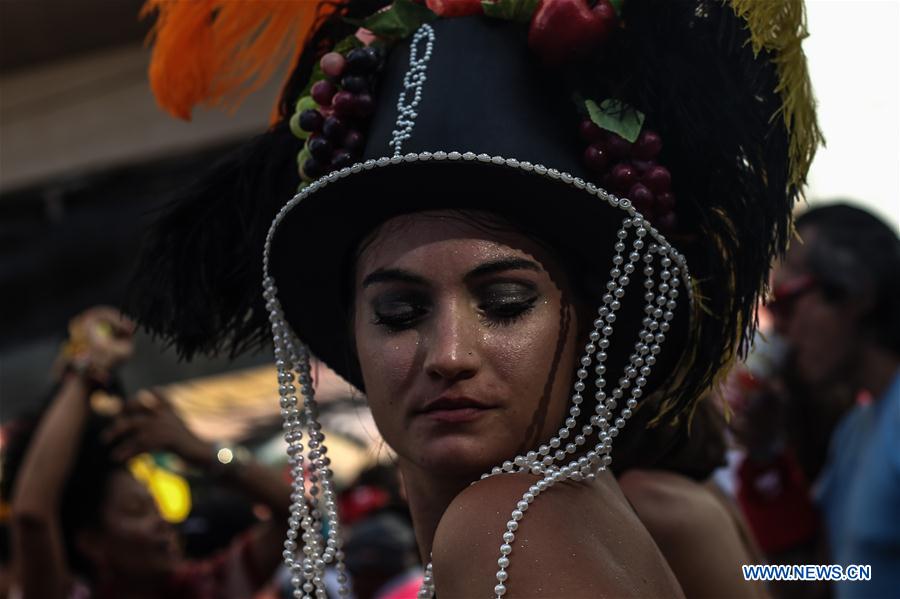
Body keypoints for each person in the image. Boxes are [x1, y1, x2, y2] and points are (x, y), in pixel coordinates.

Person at [130, 0, 821, 596]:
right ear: (350, 333)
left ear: (585, 322)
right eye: (399, 313)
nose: (449, 354)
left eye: (507, 302)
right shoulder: (571, 514)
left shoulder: (513, 523)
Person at [3, 306, 293, 598]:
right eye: (137, 511)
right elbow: (32, 516)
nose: (162, 522)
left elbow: (298, 516)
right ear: (92, 542)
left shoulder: (200, 589)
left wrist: (201, 450)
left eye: (156, 507)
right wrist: (88, 369)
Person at [770, 203, 900, 599]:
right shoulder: (855, 430)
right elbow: (836, 575)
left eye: (788, 302)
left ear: (856, 293)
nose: (780, 329)